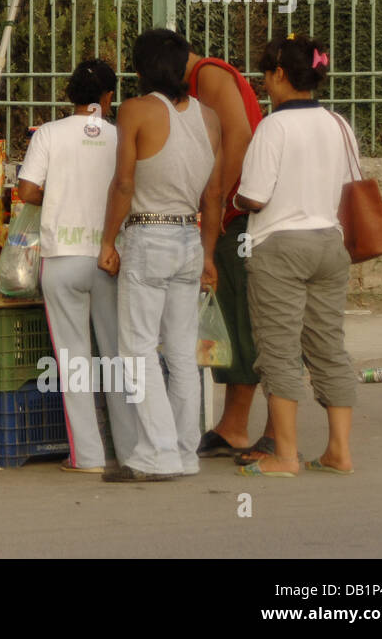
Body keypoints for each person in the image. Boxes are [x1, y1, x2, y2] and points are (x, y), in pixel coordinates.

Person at [98, 29, 222, 482]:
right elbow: (215, 195)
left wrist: (108, 241)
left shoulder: (135, 111)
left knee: (138, 351)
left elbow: (124, 184)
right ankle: (186, 453)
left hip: (149, 238)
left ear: (141, 68)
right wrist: (208, 256)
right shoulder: (209, 119)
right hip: (190, 240)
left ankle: (158, 454)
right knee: (183, 354)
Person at [234, 35, 356, 477]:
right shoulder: (338, 124)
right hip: (329, 242)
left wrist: (235, 200)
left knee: (279, 350)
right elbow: (348, 185)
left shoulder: (274, 127)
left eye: (265, 74)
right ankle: (339, 452)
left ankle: (285, 455)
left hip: (280, 247)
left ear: (280, 74)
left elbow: (255, 197)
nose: (263, 84)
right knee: (328, 346)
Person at [16, 59, 138, 474]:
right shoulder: (120, 137)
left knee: (73, 362)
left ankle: (86, 457)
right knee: (116, 359)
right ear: (108, 97)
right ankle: (130, 449)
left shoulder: (49, 134)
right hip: (109, 257)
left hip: (62, 260)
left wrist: (54, 200)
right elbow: (129, 188)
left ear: (70, 95)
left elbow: (27, 189)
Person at [182, 47, 276, 464]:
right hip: (237, 215)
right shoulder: (208, 76)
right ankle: (234, 425)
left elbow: (238, 136)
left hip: (238, 217)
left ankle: (258, 429)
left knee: (246, 325)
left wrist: (218, 200)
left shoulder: (208, 75)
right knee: (236, 324)